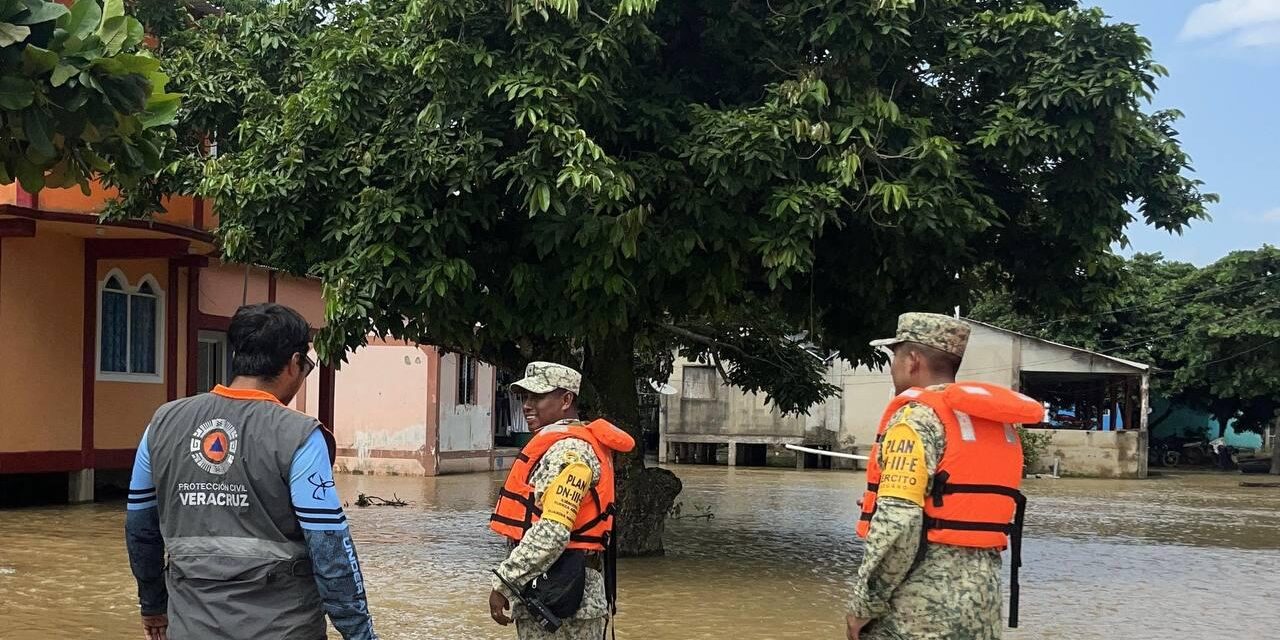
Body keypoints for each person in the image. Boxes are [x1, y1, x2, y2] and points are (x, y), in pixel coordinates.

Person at [125, 303, 377, 640]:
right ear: (294, 363)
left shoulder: (162, 424)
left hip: (189, 628)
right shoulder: (300, 436)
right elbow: (330, 548)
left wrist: (153, 605)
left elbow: (140, 528)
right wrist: (359, 634)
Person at [847, 313, 1044, 640]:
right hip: (982, 607)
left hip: (917, 615)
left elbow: (899, 525)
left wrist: (864, 606)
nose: (892, 366)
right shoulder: (994, 424)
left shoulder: (915, 419)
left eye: (894, 356)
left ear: (912, 361)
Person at [488, 362, 635, 640]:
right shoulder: (565, 445)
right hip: (565, 593)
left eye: (538, 397)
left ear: (566, 399)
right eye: (524, 397)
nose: (527, 405)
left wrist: (504, 582)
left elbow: (553, 531)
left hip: (562, 599)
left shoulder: (569, 452)